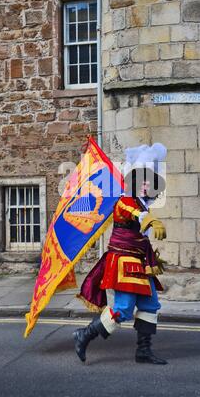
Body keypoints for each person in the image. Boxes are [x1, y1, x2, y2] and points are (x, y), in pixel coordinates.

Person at [74, 143, 168, 365]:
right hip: (123, 262)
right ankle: (84, 334)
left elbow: (141, 219)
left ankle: (143, 351)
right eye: (142, 179)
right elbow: (129, 213)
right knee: (123, 309)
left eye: (149, 180)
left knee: (150, 305)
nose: (146, 184)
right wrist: (150, 219)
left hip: (140, 263)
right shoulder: (125, 201)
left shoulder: (143, 204)